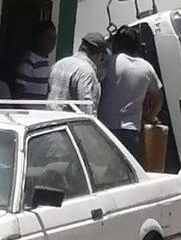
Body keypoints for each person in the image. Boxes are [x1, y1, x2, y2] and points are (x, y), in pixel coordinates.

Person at [98, 26, 163, 160]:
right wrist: (150, 116)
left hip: (104, 127)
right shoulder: (146, 67)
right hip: (131, 130)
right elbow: (158, 98)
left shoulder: (110, 62)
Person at [47, 33, 107, 115]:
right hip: (69, 124)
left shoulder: (59, 64)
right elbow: (86, 106)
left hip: (49, 119)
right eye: (102, 58)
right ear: (97, 55)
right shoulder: (86, 71)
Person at [14, 21, 57, 100]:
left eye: (54, 39)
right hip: (28, 110)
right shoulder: (29, 63)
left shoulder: (46, 61)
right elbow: (17, 94)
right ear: (39, 37)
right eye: (49, 38)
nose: (53, 42)